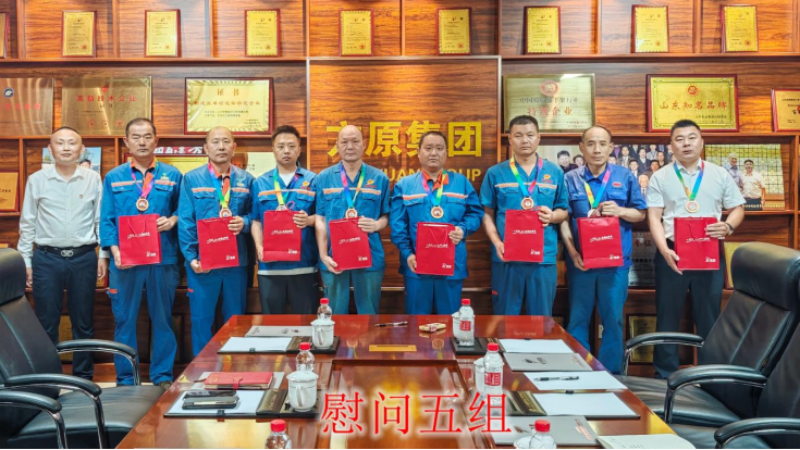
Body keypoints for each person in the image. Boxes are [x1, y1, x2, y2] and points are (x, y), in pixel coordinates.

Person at [646, 120, 745, 379]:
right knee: (667, 315)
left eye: (692, 138)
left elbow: (738, 208)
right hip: (672, 252)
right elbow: (654, 217)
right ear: (671, 146)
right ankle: (664, 375)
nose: (686, 143)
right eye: (679, 139)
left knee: (709, 315)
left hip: (708, 251)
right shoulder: (661, 176)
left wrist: (728, 226)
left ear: (702, 142)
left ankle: (710, 376)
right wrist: (663, 250)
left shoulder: (719, 174)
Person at [18, 127, 109, 381]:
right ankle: (48, 379)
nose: (66, 148)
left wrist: (103, 255)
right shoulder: (37, 180)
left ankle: (83, 378)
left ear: (82, 149)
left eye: (72, 143)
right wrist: (26, 261)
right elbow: (27, 223)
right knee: (46, 322)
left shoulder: (93, 178)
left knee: (83, 321)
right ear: (50, 149)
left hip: (84, 257)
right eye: (60, 143)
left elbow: (100, 220)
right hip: (46, 259)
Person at [100, 118, 182, 390]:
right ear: (127, 142)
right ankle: (126, 379)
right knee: (124, 320)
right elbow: (106, 219)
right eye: (136, 137)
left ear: (156, 140)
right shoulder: (114, 177)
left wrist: (172, 220)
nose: (142, 142)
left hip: (162, 258)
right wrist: (114, 252)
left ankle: (162, 376)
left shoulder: (173, 175)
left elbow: (184, 211)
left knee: (163, 319)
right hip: (125, 261)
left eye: (147, 136)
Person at [560, 126, 647, 374]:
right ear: (581, 148)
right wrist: (572, 252)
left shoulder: (624, 176)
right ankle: (579, 373)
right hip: (581, 264)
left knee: (613, 321)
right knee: (578, 320)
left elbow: (640, 213)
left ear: (611, 147)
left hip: (615, 264)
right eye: (590, 144)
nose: (596, 149)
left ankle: (611, 377)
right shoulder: (569, 178)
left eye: (602, 144)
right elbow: (563, 218)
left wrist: (620, 211)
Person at [178, 127, 255, 357]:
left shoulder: (247, 180)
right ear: (205, 148)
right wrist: (191, 257)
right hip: (204, 264)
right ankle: (201, 371)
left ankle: (234, 369)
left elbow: (256, 217)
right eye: (215, 142)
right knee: (201, 320)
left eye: (226, 141)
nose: (221, 147)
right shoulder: (191, 179)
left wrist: (245, 222)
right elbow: (186, 220)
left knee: (235, 320)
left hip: (236, 263)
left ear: (234, 147)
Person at [481, 115, 569, 316]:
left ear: (538, 138)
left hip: (543, 258)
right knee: (505, 318)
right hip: (507, 257)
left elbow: (563, 211)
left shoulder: (555, 172)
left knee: (541, 319)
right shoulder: (495, 173)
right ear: (510, 139)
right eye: (518, 135)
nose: (525, 140)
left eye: (530, 135)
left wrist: (552, 216)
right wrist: (497, 243)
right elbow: (487, 214)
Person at [391, 131, 483, 314]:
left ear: (446, 153)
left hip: (451, 266)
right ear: (418, 153)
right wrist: (408, 254)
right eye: (428, 148)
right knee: (416, 322)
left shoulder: (462, 183)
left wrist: (462, 229)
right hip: (416, 266)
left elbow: (475, 213)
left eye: (439, 148)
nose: (434, 153)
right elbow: (397, 225)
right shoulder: (404, 185)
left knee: (449, 320)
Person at [315, 125, 391, 314]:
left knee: (368, 312)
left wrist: (376, 224)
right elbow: (320, 219)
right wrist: (323, 255)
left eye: (355, 141)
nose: (350, 146)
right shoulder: (324, 178)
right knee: (334, 312)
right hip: (334, 256)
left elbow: (386, 215)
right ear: (337, 146)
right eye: (344, 142)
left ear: (364, 145)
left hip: (369, 254)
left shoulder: (379, 178)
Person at [251, 125, 319, 314]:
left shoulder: (313, 181)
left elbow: (322, 218)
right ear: (273, 149)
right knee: (271, 324)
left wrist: (309, 220)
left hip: (304, 265)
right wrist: (259, 246)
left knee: (306, 323)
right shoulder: (260, 183)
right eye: (281, 146)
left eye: (291, 146)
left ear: (299, 149)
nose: (286, 151)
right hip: (270, 267)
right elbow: (255, 221)